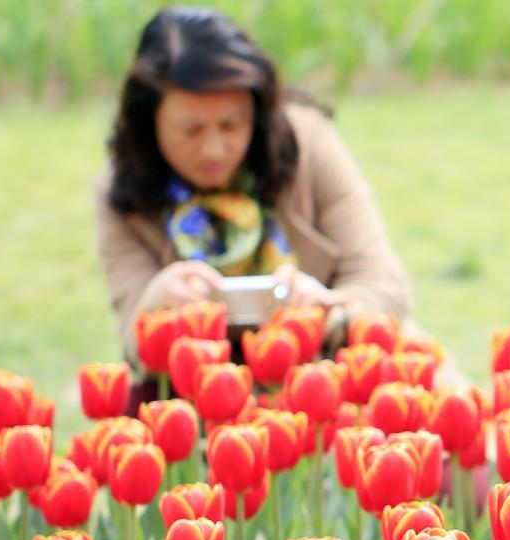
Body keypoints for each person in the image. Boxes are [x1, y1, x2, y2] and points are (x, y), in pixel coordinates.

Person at [94, 5, 412, 396]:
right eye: (191, 130)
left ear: (257, 112)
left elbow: (383, 282)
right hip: (199, 395)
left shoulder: (306, 142)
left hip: (329, 378)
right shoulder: (124, 190)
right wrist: (155, 304)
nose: (214, 150)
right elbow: (133, 339)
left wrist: (329, 311)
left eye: (231, 124)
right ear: (149, 122)